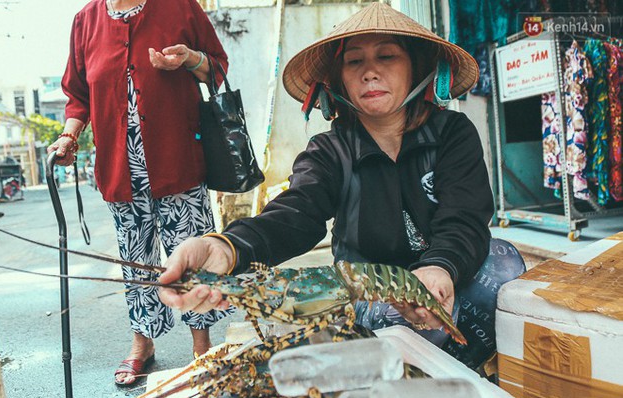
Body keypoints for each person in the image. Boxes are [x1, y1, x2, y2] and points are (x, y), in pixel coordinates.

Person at [159, 3, 493, 347]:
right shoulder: (329, 152)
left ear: (418, 68)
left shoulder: (452, 132)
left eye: (387, 56)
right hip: (373, 293)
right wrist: (226, 248)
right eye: (354, 61)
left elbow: (464, 217)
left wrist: (440, 267)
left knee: (504, 264)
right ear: (338, 81)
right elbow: (293, 214)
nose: (369, 72)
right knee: (407, 332)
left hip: (442, 271)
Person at [48, 0, 235, 387]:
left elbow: (217, 67)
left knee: (192, 257)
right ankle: (142, 344)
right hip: (121, 166)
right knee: (135, 262)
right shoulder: (86, 21)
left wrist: (189, 59)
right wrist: (69, 136)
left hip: (178, 158)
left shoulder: (181, 7)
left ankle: (203, 345)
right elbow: (78, 96)